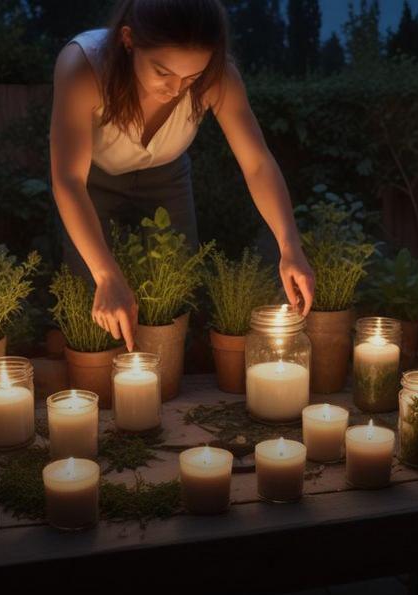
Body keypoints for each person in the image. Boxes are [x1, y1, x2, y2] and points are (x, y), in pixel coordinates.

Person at [49, 0, 315, 351]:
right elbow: (68, 180)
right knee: (93, 297)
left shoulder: (218, 77)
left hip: (167, 178)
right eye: (163, 72)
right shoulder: (84, 67)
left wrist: (289, 245)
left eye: (191, 77)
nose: (176, 90)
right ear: (129, 40)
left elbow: (257, 163)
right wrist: (106, 274)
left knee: (177, 291)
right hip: (90, 181)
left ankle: (166, 379)